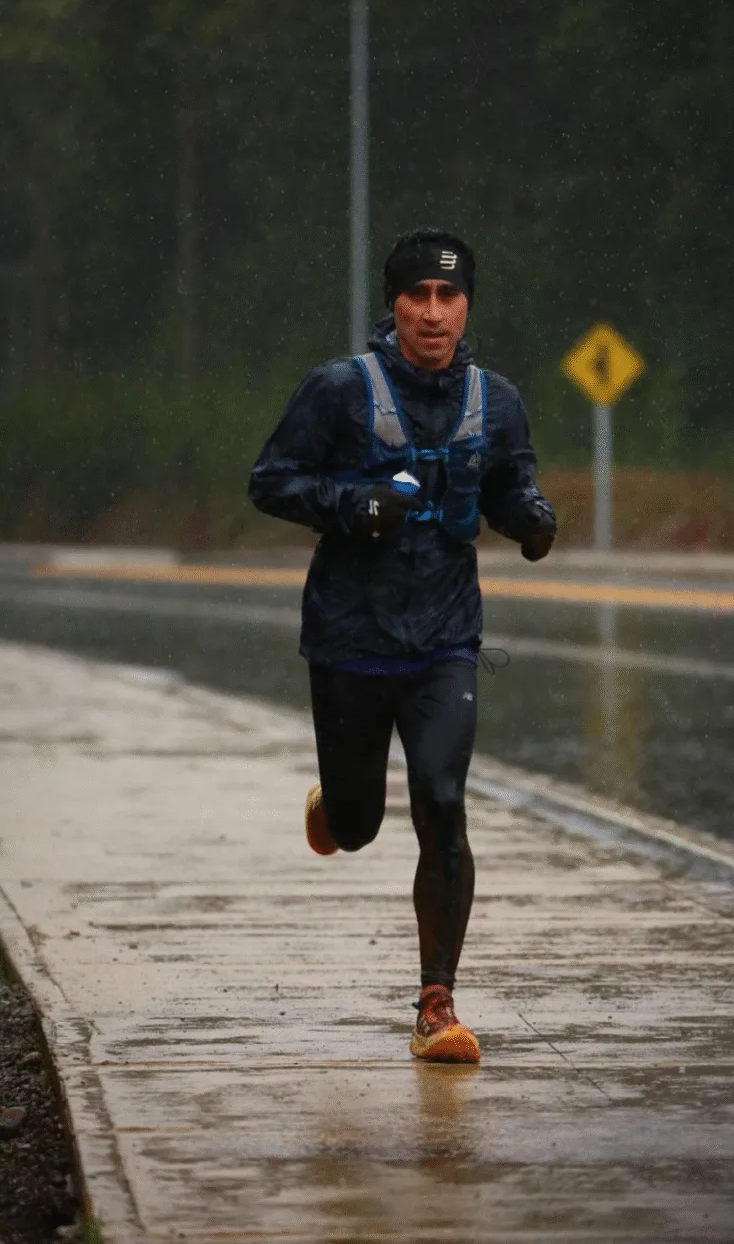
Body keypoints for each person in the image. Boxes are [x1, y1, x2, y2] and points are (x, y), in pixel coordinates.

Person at [248, 228, 556, 1063]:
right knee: (358, 826)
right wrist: (351, 505)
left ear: (466, 308)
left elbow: (510, 480)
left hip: (446, 639)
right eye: (415, 295)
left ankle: (436, 1002)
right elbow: (269, 481)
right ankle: (336, 807)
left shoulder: (498, 399)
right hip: (350, 639)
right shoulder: (340, 391)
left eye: (447, 297)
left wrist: (529, 519)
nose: (431, 312)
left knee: (443, 800)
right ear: (393, 304)